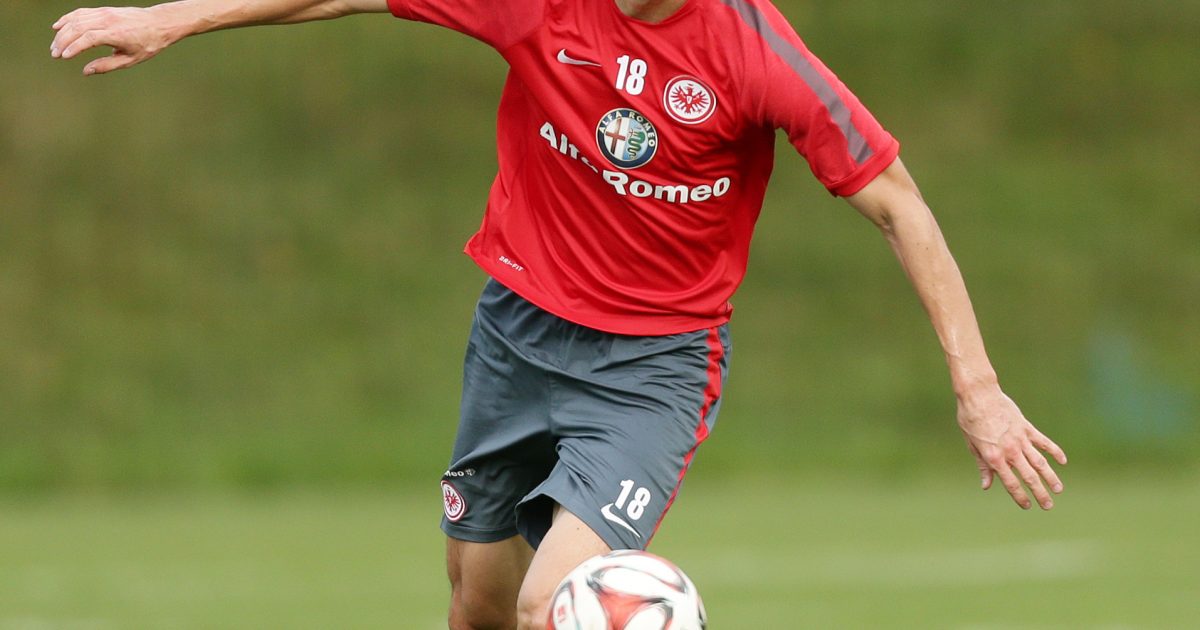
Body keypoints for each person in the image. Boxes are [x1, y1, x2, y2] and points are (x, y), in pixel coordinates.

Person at [52, 0, 1069, 628]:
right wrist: (173, 15)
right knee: (481, 604)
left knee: (560, 606)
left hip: (652, 370)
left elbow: (900, 205)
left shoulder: (756, 51)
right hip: (515, 340)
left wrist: (977, 389)